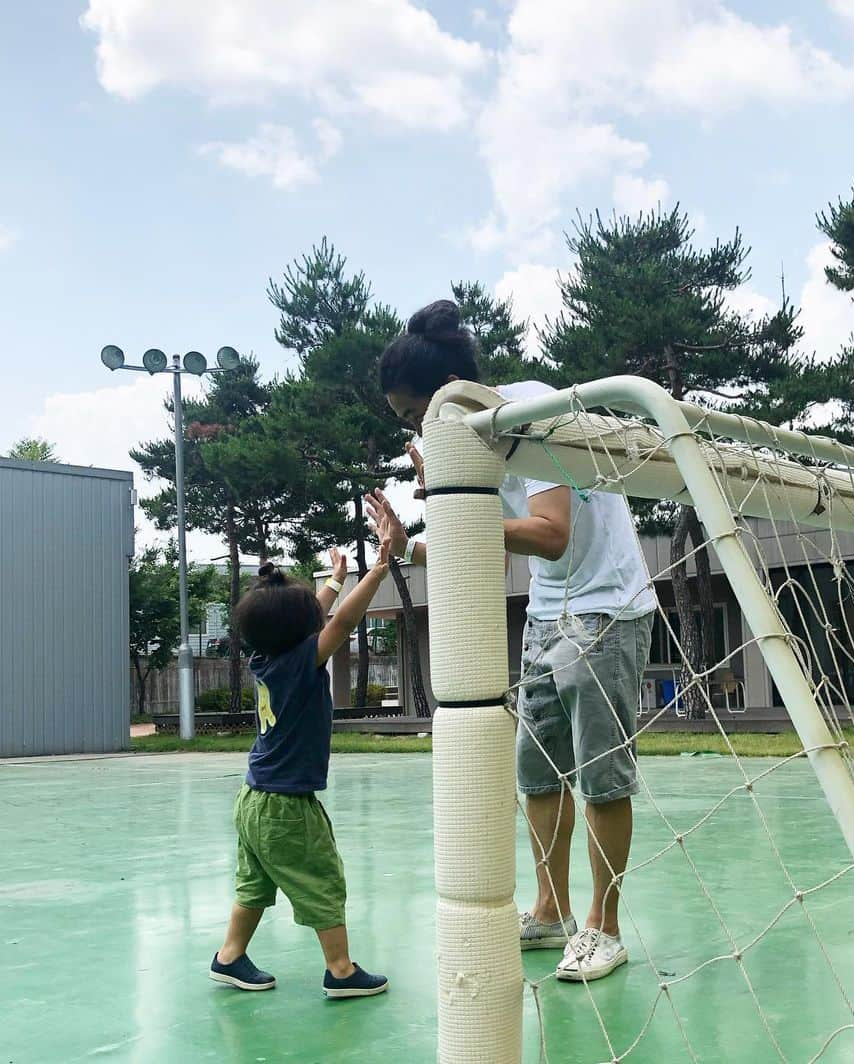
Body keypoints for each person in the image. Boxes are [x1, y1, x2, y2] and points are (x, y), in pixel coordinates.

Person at [365, 299, 656, 983]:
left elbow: (550, 532)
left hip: (607, 608)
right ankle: (550, 909)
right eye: (409, 422)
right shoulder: (473, 444)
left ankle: (603, 927)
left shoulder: (526, 410)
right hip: (549, 613)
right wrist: (417, 541)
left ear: (446, 391)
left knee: (600, 774)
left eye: (415, 414)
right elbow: (491, 557)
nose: (419, 429)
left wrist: (454, 510)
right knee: (537, 769)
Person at [209, 538, 392, 1000]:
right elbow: (344, 621)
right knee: (321, 876)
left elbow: (315, 614)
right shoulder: (300, 661)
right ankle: (340, 969)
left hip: (253, 799)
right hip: (286, 806)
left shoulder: (263, 656)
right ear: (303, 630)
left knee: (254, 883)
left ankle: (229, 957)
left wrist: (334, 579)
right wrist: (378, 571)